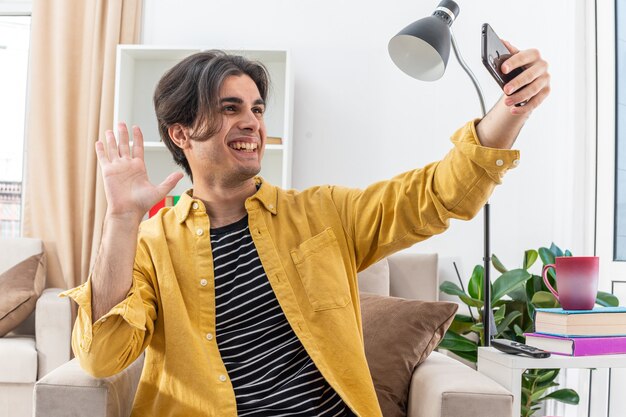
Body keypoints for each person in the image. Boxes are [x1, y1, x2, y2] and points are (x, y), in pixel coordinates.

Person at [63, 44, 550, 417]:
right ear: (181, 133)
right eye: (230, 108)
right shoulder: (150, 245)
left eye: (256, 109)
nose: (251, 121)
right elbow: (102, 357)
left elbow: (436, 196)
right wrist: (122, 219)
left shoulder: (323, 213)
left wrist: (510, 110)